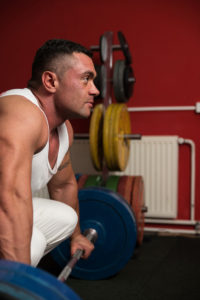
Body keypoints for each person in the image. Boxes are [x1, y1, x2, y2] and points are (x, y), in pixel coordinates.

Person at [0, 39, 99, 267]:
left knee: (66, 218)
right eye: (86, 79)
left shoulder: (63, 129)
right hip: (5, 204)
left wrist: (76, 236)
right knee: (30, 244)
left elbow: (63, 186)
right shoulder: (22, 115)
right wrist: (20, 280)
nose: (95, 90)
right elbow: (10, 200)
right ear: (50, 81)